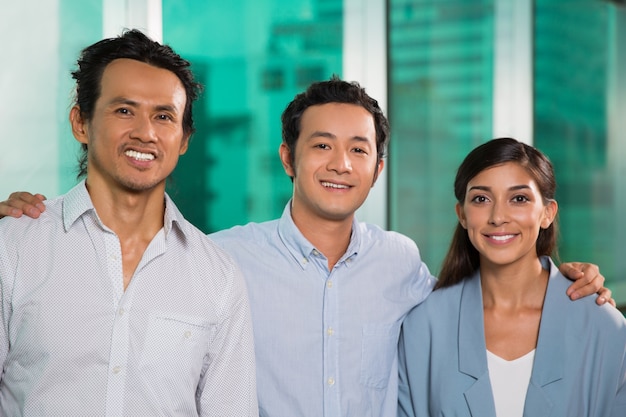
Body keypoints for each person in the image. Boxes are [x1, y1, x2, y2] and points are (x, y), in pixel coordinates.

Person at [0, 80, 612, 417]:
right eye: (321, 146)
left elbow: (484, 296)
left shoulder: (402, 265)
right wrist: (33, 217)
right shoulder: (218, 260)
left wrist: (568, 279)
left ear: (377, 169)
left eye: (359, 149)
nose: (340, 164)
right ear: (288, 158)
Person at [0, 30, 258, 416]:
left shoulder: (218, 277)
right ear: (80, 123)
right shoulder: (16, 245)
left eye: (164, 116)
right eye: (124, 110)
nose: (145, 132)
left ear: (185, 139)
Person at [397, 138, 626, 417]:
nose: (498, 217)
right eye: (481, 199)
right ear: (462, 215)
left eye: (519, 198)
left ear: (547, 213)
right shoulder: (424, 326)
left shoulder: (604, 327)